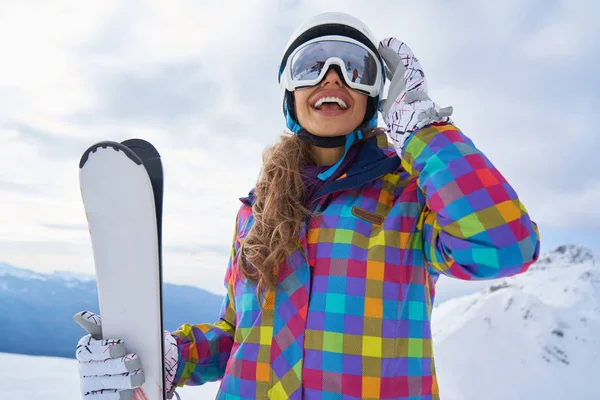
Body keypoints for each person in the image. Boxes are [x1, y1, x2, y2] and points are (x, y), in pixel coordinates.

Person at [75, 11, 540, 400]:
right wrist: (175, 355)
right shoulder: (255, 211)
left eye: (355, 68)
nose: (331, 77)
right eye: (311, 65)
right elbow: (239, 334)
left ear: (376, 98)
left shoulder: (411, 197)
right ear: (290, 95)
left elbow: (506, 245)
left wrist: (420, 129)